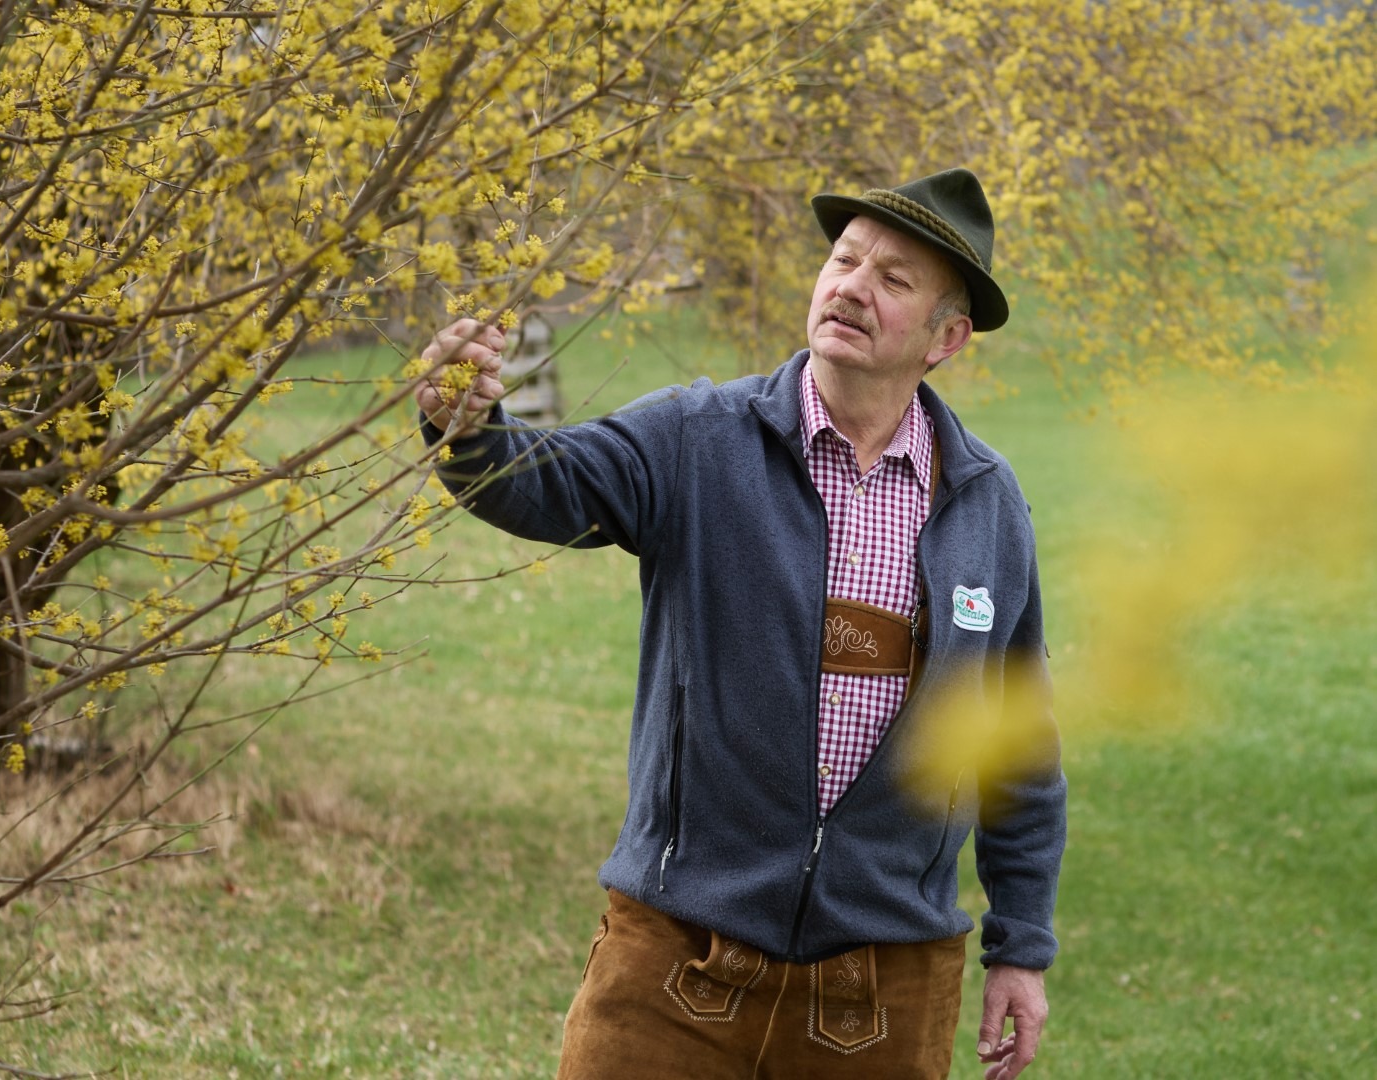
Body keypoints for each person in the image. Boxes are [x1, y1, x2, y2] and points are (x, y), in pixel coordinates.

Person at [414, 168, 1065, 1080]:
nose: (850, 287)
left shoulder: (987, 506)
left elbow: (1018, 745)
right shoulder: (698, 438)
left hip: (885, 992)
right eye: (844, 260)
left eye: (893, 280)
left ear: (947, 336)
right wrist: (467, 426)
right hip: (676, 965)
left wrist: (1022, 946)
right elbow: (546, 480)